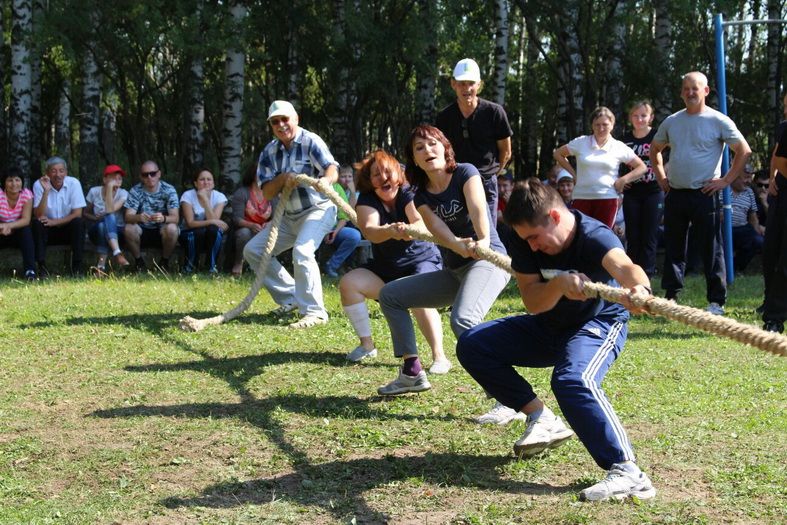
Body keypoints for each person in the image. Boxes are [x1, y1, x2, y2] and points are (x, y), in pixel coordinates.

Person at [456, 177, 656, 502]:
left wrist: (640, 291)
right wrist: (560, 286)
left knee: (571, 380)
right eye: (526, 240)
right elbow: (533, 302)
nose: (532, 247)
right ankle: (541, 417)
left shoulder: (594, 237)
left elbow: (625, 267)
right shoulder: (523, 240)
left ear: (555, 217)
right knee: (473, 344)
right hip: (549, 325)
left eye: (535, 237)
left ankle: (628, 472)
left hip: (597, 323)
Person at [376, 124, 510, 396]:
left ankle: (508, 396)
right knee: (390, 295)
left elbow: (478, 211)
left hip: (489, 260)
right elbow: (440, 231)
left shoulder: (465, 172)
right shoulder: (420, 194)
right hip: (456, 269)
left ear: (445, 147)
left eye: (433, 143)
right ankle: (411, 373)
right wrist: (457, 245)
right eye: (419, 147)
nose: (427, 150)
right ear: (413, 159)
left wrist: (482, 241)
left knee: (463, 320)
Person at [650, 71, 752, 315]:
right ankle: (671, 296)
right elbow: (655, 150)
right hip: (676, 193)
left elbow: (744, 150)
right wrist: (662, 178)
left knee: (711, 248)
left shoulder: (718, 121)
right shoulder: (672, 121)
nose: (690, 92)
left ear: (705, 91)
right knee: (674, 246)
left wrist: (725, 181)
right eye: (686, 88)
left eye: (695, 88)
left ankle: (717, 301)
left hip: (705, 194)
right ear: (681, 93)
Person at [339, 150, 449, 373]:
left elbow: (419, 222)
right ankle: (367, 345)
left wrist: (409, 230)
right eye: (376, 175)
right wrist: (389, 231)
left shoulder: (409, 192)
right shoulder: (367, 200)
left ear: (398, 174)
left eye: (387, 172)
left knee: (419, 294)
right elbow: (370, 231)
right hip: (387, 269)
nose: (383, 178)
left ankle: (439, 356)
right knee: (349, 283)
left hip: (421, 261)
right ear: (370, 182)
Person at [243, 100, 338, 329]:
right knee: (253, 251)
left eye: (285, 119)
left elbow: (331, 167)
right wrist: (283, 179)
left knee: (303, 251)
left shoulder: (310, 140)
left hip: (318, 209)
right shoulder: (269, 151)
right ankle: (291, 298)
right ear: (271, 125)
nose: (281, 124)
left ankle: (315, 312)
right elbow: (266, 192)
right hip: (289, 217)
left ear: (296, 119)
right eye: (275, 121)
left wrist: (325, 180)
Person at [436, 58, 513, 222]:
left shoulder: (494, 112)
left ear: (479, 84)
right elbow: (440, 153)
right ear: (453, 84)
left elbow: (505, 152)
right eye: (462, 83)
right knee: (460, 236)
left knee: (489, 236)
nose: (467, 88)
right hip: (455, 183)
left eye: (471, 83)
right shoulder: (444, 117)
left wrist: (492, 174)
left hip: (486, 184)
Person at [553, 107, 647, 228]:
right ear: (592, 125)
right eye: (597, 125)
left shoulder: (619, 147)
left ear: (612, 125)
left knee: (602, 237)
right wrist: (573, 174)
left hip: (607, 198)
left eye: (605, 124)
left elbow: (642, 167)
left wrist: (623, 180)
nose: (601, 128)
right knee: (581, 235)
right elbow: (558, 154)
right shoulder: (581, 142)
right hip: (581, 197)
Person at [619, 101, 664, 277]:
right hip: (632, 193)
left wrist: (664, 177)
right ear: (631, 118)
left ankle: (647, 273)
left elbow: (670, 158)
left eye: (643, 115)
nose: (640, 119)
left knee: (650, 233)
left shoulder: (658, 136)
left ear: (651, 117)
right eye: (636, 116)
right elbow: (615, 164)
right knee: (633, 234)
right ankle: (632, 273)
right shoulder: (624, 140)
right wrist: (622, 179)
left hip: (653, 190)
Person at [32, 157, 86, 277]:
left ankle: (77, 267)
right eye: (53, 171)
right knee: (37, 224)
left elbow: (77, 213)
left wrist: (54, 222)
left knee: (79, 222)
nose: (58, 175)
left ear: (66, 172)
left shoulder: (74, 183)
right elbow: (38, 214)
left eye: (61, 171)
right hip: (48, 230)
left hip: (67, 228)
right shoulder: (39, 184)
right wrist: (46, 191)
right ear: (47, 173)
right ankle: (42, 268)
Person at [123, 161, 180, 272]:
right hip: (142, 231)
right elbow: (128, 217)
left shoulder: (169, 190)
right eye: (145, 174)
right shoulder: (135, 190)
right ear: (141, 177)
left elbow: (176, 218)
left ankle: (164, 262)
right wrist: (138, 217)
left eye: (153, 173)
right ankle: (139, 262)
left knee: (172, 228)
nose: (149, 177)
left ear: (159, 174)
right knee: (128, 228)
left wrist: (163, 218)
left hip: (162, 231)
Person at [762, 92, 787, 333]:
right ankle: (771, 308)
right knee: (771, 253)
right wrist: (772, 179)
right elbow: (778, 159)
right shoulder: (784, 127)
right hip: (783, 193)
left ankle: (775, 317)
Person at [179, 168, 229, 274]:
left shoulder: (219, 197)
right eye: (202, 179)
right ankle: (190, 267)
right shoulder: (187, 195)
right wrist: (211, 222)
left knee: (215, 231)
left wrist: (206, 200)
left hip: (209, 236)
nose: (206, 182)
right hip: (189, 233)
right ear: (196, 183)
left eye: (209, 179)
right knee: (200, 231)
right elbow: (190, 223)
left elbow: (215, 224)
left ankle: (211, 267)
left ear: (213, 183)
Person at [84, 164, 130, 273]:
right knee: (100, 225)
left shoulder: (123, 193)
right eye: (114, 178)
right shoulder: (94, 192)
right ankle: (117, 252)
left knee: (106, 221)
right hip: (95, 231)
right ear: (105, 179)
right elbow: (85, 213)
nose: (117, 181)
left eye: (119, 178)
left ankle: (100, 267)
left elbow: (110, 210)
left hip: (118, 233)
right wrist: (94, 218)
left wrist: (109, 189)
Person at [230, 164, 272, 277]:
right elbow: (236, 219)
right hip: (246, 229)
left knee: (275, 233)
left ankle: (266, 269)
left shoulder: (272, 193)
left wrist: (269, 224)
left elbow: (279, 216)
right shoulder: (242, 193)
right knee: (244, 233)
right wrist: (251, 225)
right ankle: (238, 263)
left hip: (265, 230)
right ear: (253, 175)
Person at [323, 166, 362, 278]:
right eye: (344, 176)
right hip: (323, 225)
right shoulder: (334, 188)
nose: (347, 179)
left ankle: (339, 265)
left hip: (344, 224)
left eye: (349, 176)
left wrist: (353, 192)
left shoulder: (353, 192)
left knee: (354, 234)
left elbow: (349, 214)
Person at [0, 167, 36, 280]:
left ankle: (30, 271)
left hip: (17, 233)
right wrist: (2, 227)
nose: (14, 184)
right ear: (4, 183)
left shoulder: (27, 194)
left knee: (26, 231)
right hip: (1, 232)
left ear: (22, 182)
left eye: (17, 180)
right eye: (10, 180)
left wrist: (8, 225)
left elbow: (26, 220)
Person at [729, 170, 764, 273]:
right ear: (735, 177)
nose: (749, 181)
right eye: (746, 177)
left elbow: (753, 216)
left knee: (758, 241)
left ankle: (735, 268)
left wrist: (758, 230)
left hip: (742, 228)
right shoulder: (723, 189)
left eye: (750, 178)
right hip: (722, 227)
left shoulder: (749, 192)